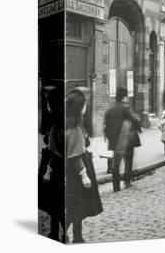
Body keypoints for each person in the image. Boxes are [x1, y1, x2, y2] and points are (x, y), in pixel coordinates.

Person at [65, 88, 103, 244]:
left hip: (74, 168)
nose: (86, 107)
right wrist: (84, 174)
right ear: (79, 108)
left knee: (76, 205)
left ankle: (78, 236)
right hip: (77, 170)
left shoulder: (72, 124)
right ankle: (65, 232)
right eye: (84, 104)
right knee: (76, 205)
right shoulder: (73, 128)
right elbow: (74, 155)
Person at [39, 87, 65, 241]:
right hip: (63, 166)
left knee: (55, 203)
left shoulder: (55, 121)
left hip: (56, 166)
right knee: (58, 202)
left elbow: (52, 146)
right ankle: (57, 233)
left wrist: (48, 170)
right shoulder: (66, 118)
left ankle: (57, 233)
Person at [104, 87, 142, 192]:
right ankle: (127, 182)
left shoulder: (109, 109)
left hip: (114, 140)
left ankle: (116, 187)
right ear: (124, 97)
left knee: (116, 163)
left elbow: (106, 126)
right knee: (128, 161)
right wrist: (138, 127)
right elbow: (135, 119)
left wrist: (109, 137)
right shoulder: (126, 108)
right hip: (126, 139)